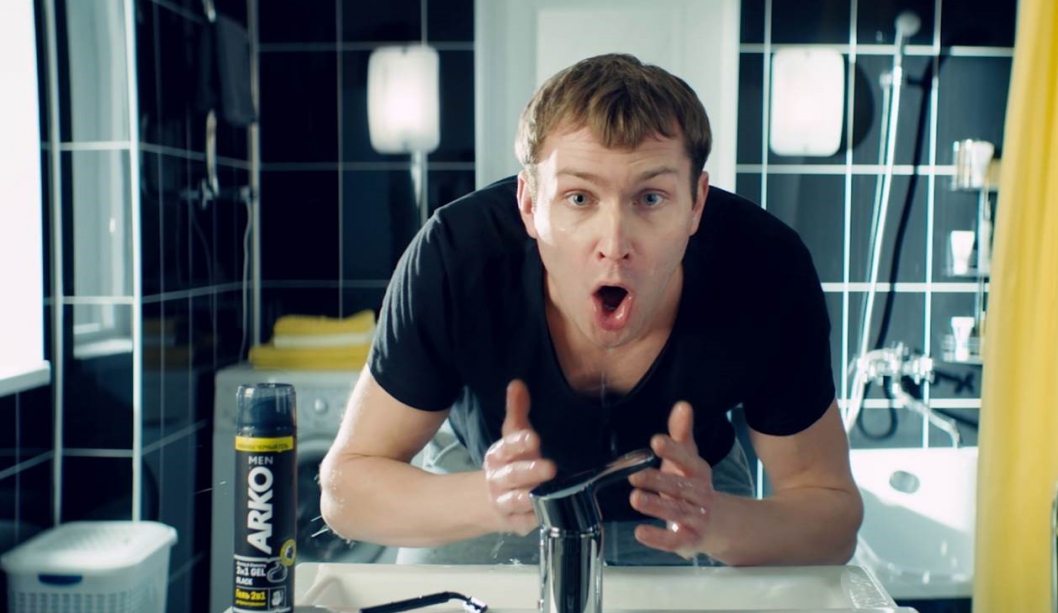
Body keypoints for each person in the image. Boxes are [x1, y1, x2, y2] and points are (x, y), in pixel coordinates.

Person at [320, 53, 862, 567]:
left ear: (697, 203)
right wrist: (487, 499)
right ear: (529, 204)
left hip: (692, 498)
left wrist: (717, 523)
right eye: (579, 198)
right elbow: (346, 493)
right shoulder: (454, 258)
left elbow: (833, 519)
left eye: (651, 198)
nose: (615, 243)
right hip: (490, 488)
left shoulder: (766, 268)